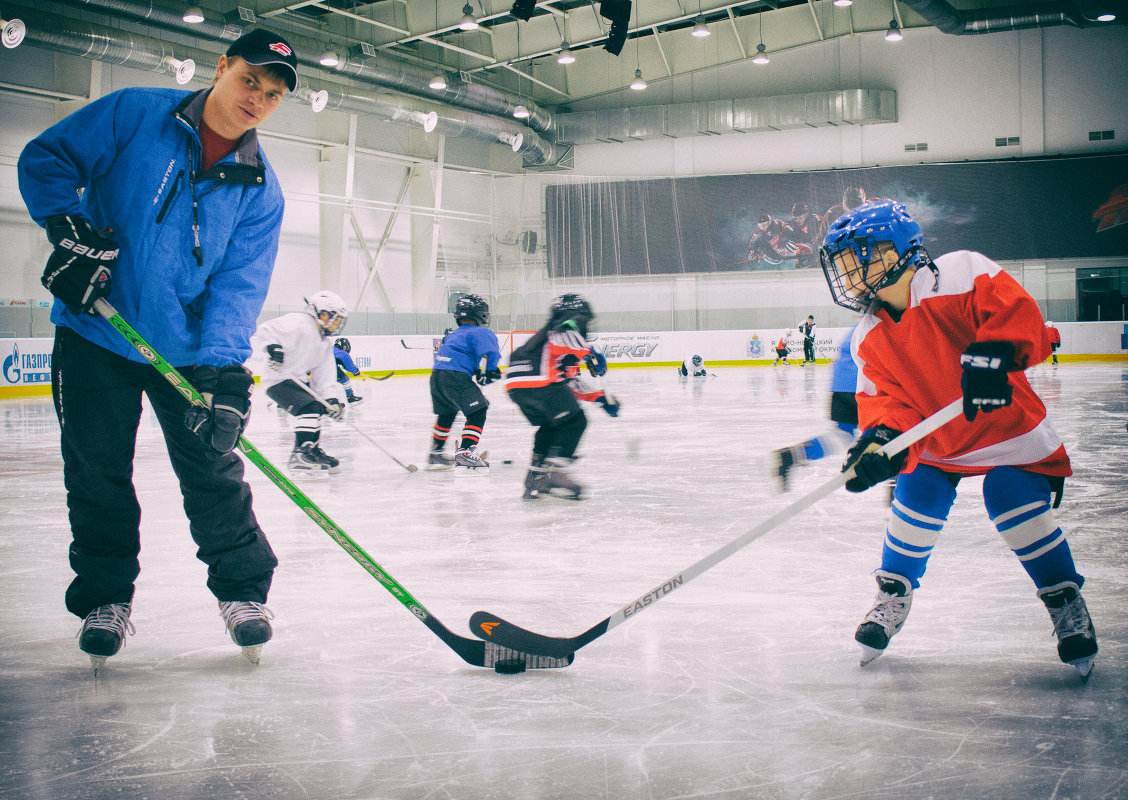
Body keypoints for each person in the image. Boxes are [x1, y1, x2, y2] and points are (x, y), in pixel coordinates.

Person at [18, 28, 298, 669]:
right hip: (98, 331)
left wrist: (224, 370)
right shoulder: (134, 113)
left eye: (274, 93)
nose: (258, 97)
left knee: (214, 470)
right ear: (222, 67)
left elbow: (239, 284)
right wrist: (68, 231)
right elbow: (48, 160)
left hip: (188, 350)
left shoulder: (262, 189)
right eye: (250, 79)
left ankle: (243, 594)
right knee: (96, 471)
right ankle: (104, 599)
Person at [820, 200, 1098, 680]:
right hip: (938, 443)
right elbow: (887, 403)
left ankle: (1063, 597)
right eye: (842, 262)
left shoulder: (961, 272)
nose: (848, 271)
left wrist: (995, 352)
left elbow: (1019, 315)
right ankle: (894, 593)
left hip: (1008, 432)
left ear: (897, 250)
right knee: (917, 492)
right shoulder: (867, 337)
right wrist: (881, 443)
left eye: (857, 255)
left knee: (1009, 495)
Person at [506, 293, 618, 500]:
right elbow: (567, 332)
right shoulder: (563, 328)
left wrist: (600, 398)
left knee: (552, 425)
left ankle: (535, 476)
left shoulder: (545, 341)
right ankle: (555, 473)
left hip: (515, 385)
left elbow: (569, 383)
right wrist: (591, 354)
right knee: (576, 422)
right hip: (537, 378)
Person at [253, 292, 349, 474]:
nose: (337, 324)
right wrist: (274, 348)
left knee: (318, 407)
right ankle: (300, 454)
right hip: (277, 379)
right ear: (322, 313)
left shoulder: (324, 344)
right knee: (309, 408)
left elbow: (324, 377)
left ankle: (311, 450)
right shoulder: (298, 322)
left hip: (298, 381)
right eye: (336, 319)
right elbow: (266, 329)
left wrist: (331, 401)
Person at [772, 325, 859, 491]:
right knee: (895, 434)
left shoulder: (866, 318)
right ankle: (897, 496)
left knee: (842, 435)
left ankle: (790, 456)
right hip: (862, 383)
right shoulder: (890, 314)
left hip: (841, 382)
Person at [426, 294, 501, 473]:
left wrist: (477, 371)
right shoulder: (482, 332)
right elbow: (491, 353)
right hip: (455, 376)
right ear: (482, 314)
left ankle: (436, 453)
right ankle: (466, 451)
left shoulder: (454, 334)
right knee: (479, 410)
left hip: (437, 375)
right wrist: (490, 371)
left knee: (447, 412)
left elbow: (461, 356)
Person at [333, 337, 364, 405]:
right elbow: (350, 367)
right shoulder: (342, 353)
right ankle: (350, 397)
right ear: (344, 347)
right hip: (328, 368)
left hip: (319, 369)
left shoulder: (332, 349)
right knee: (344, 379)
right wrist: (356, 371)